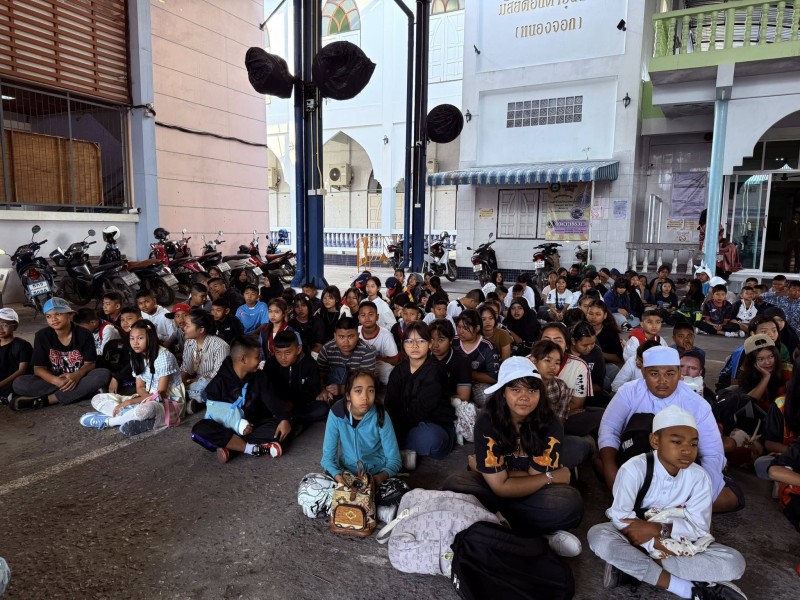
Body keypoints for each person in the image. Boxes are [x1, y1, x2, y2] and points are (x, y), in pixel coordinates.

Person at [588, 405, 747, 600]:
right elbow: (621, 517)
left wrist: (658, 530)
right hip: (633, 537)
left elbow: (699, 528)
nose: (687, 450)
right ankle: (687, 589)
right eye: (677, 442)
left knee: (734, 563)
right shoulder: (634, 469)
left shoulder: (699, 477)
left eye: (693, 444)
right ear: (655, 441)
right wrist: (650, 541)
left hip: (678, 542)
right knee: (599, 536)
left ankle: (630, 569)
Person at [441, 357, 584, 555]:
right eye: (516, 390)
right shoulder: (487, 420)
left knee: (569, 503)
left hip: (531, 494)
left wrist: (489, 472)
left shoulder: (550, 423)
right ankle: (536, 536)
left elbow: (515, 481)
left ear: (540, 393)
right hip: (504, 491)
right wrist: (550, 477)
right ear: (503, 392)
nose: (524, 397)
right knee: (456, 484)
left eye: (532, 390)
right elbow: (503, 486)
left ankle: (497, 525)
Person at [599, 346, 742, 513]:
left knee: (730, 497)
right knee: (602, 460)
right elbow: (609, 430)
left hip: (680, 471)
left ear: (679, 373)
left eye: (670, 373)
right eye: (654, 374)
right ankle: (664, 509)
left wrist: (700, 492)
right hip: (635, 464)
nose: (662, 381)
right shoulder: (628, 392)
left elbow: (712, 452)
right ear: (643, 372)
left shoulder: (696, 403)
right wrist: (610, 469)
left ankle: (657, 507)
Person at [313, 369, 403, 519]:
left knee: (400, 490)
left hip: (375, 475)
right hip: (346, 474)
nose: (365, 397)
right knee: (310, 485)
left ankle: (343, 506)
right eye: (358, 391)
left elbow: (395, 460)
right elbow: (327, 459)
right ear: (348, 395)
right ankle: (373, 510)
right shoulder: (336, 413)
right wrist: (340, 479)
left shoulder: (381, 415)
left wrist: (377, 480)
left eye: (371, 390)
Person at [190, 335, 289, 463]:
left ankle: (231, 447)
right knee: (199, 430)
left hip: (252, 426)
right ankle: (250, 449)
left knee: (280, 431)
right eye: (257, 357)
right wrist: (237, 424)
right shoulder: (218, 382)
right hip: (226, 427)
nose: (260, 361)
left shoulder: (260, 377)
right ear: (243, 359)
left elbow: (272, 401)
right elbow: (214, 414)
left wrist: (283, 419)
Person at [82, 319, 185, 437]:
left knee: (147, 409)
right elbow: (140, 387)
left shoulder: (164, 356)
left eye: (140, 338)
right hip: (147, 397)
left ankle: (109, 421)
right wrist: (141, 400)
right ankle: (132, 416)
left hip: (168, 400)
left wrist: (130, 402)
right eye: (132, 338)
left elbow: (161, 393)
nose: (135, 342)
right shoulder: (136, 356)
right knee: (97, 399)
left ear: (150, 338)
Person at [10, 298, 111, 411]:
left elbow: (90, 363)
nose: (53, 319)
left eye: (58, 314)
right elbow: (38, 368)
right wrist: (55, 380)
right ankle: (85, 392)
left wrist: (76, 376)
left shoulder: (84, 334)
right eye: (48, 316)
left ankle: (46, 400)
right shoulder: (42, 336)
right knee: (19, 383)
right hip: (53, 380)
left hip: (79, 378)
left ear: (70, 315)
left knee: (102, 374)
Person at [385, 322, 456, 458]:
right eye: (409, 341)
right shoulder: (398, 371)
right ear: (403, 344)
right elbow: (391, 404)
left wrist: (394, 432)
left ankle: (393, 449)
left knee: (431, 439)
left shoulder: (435, 371)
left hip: (432, 424)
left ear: (430, 344)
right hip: (401, 424)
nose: (414, 346)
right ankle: (399, 449)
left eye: (421, 341)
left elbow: (421, 410)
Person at [265, 330, 324, 427]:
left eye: (287, 353)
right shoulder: (271, 364)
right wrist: (278, 403)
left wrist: (293, 403)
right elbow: (266, 388)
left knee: (322, 409)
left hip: (299, 405)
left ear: (298, 349)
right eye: (278, 352)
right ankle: (289, 421)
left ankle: (291, 420)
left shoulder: (309, 364)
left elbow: (313, 389)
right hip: (278, 405)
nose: (282, 357)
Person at [316, 316, 377, 406]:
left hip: (356, 391)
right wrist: (323, 390)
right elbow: (320, 375)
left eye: (350, 336)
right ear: (335, 336)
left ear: (358, 336)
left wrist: (342, 389)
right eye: (341, 337)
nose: (346, 341)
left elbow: (366, 382)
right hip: (331, 390)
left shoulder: (367, 351)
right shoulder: (327, 348)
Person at [181, 309, 230, 413]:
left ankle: (189, 399)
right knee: (173, 383)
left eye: (188, 326)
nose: (184, 328)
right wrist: (179, 383)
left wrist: (189, 382)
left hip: (210, 382)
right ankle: (192, 399)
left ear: (201, 330)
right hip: (195, 381)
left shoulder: (220, 346)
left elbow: (217, 376)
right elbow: (186, 368)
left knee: (207, 385)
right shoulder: (189, 342)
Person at [734, 334, 790, 414]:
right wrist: (765, 378)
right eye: (760, 359)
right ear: (752, 361)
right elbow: (747, 402)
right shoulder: (746, 375)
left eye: (771, 357)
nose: (767, 362)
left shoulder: (787, 370)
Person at [454, 309, 499, 407]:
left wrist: (467, 374)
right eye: (459, 327)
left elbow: (493, 377)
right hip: (454, 382)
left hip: (477, 385)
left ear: (477, 328)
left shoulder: (487, 347)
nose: (460, 331)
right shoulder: (453, 342)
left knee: (487, 396)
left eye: (465, 328)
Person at [429, 318, 472, 402]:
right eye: (431, 340)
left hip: (451, 403)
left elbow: (464, 396)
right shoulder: (423, 357)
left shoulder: (462, 361)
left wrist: (434, 400)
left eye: (441, 340)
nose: (435, 345)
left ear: (451, 340)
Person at [357, 301, 400, 385]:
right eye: (363, 315)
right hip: (358, 364)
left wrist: (373, 359)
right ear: (359, 318)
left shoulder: (386, 335)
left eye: (370, 314)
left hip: (377, 365)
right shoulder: (355, 332)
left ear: (377, 317)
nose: (367, 318)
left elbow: (395, 360)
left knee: (389, 372)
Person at [0, 308, 32, 404]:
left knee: (21, 384)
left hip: (13, 380)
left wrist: (1, 384)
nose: (0, 329)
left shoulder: (22, 345)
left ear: (15, 326)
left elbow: (22, 370)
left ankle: (11, 396)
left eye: (5, 325)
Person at [587, 299, 624, 373]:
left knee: (613, 369)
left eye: (598, 314)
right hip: (583, 364)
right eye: (590, 313)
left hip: (604, 365)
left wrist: (598, 353)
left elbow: (618, 358)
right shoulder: (582, 329)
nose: (593, 317)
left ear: (605, 315)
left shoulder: (611, 333)